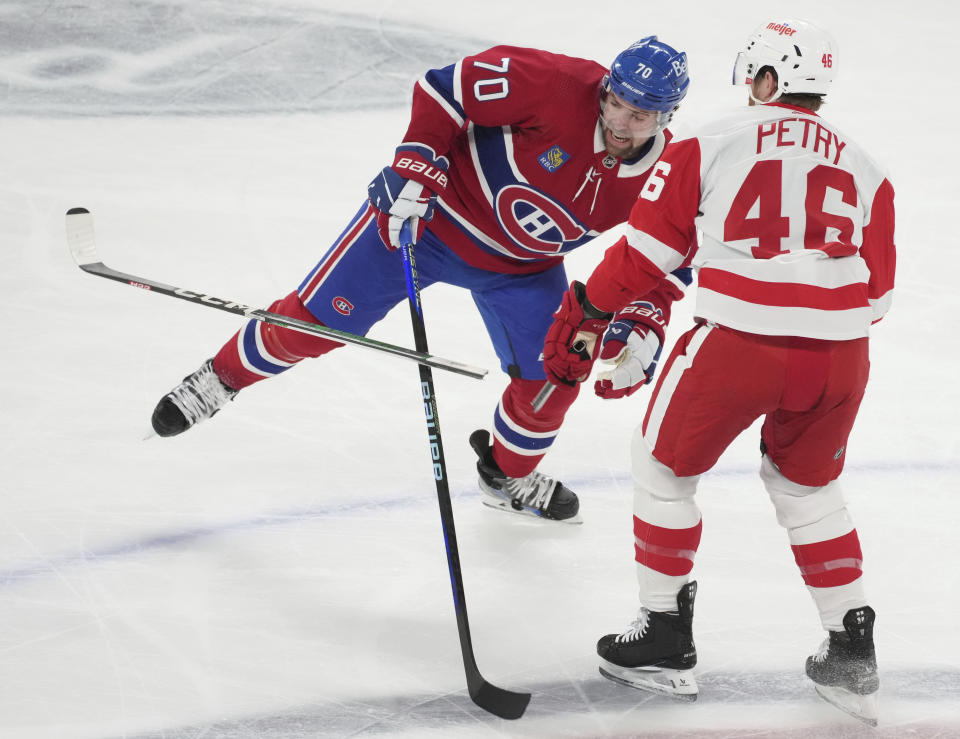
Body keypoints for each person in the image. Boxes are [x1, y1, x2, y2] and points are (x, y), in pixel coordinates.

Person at [149, 38, 691, 524]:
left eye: (640, 115)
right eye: (615, 102)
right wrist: (416, 162)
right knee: (310, 327)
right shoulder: (555, 83)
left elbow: (671, 253)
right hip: (425, 225)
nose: (621, 122)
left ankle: (504, 478)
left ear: (667, 116)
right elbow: (445, 89)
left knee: (556, 377)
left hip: (523, 271)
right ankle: (217, 381)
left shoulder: (670, 174)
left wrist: (647, 316)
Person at [543, 18, 893, 724]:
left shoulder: (710, 137)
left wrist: (586, 310)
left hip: (737, 344)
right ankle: (851, 643)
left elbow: (647, 254)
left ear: (766, 80)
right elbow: (877, 294)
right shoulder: (866, 162)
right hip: (841, 356)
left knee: (662, 470)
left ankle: (665, 636)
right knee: (809, 487)